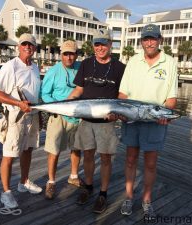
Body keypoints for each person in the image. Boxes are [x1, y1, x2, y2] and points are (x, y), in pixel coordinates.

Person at [118, 24, 178, 218]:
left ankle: (146, 200)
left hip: (155, 121)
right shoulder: (133, 62)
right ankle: (128, 197)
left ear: (160, 40)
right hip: (132, 119)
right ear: (141, 41)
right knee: (130, 159)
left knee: (150, 164)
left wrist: (166, 114)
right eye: (146, 39)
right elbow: (123, 93)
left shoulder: (170, 63)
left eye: (153, 38)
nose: (149, 42)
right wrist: (122, 111)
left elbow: (171, 97)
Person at [68, 28, 125, 214]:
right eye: (97, 44)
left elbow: (122, 96)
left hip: (107, 123)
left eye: (104, 44)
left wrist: (117, 112)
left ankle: (103, 193)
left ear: (110, 45)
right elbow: (79, 90)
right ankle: (89, 186)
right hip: (86, 120)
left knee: (106, 158)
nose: (100, 48)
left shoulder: (120, 68)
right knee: (88, 155)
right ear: (93, 46)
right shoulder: (85, 64)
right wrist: (68, 101)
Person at [0, 33, 42, 209]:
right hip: (15, 117)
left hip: (33, 116)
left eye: (31, 44)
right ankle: (6, 192)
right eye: (24, 44)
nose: (27, 47)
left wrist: (40, 112)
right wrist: (18, 103)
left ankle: (23, 182)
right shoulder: (10, 66)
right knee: (9, 155)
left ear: (35, 48)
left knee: (28, 150)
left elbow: (36, 94)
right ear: (18, 47)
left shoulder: (35, 68)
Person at [41, 40, 83, 200]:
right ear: (61, 55)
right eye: (66, 54)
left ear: (76, 55)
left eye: (72, 54)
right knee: (54, 150)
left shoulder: (81, 69)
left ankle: (73, 176)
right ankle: (51, 182)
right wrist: (55, 106)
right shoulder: (53, 71)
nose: (69, 57)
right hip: (58, 116)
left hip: (77, 117)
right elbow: (45, 94)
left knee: (76, 148)